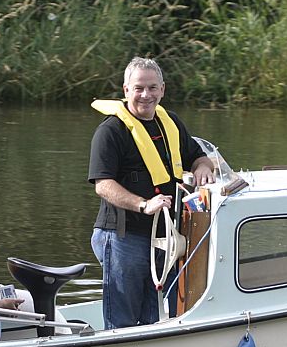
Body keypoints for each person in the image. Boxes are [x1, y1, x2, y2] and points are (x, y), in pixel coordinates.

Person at [88, 56, 214, 329]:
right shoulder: (110, 131)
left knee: (151, 317)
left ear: (163, 90)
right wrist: (143, 204)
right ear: (126, 90)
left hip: (163, 237)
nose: (146, 95)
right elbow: (102, 184)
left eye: (152, 88)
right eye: (139, 88)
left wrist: (203, 168)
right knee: (122, 319)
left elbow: (198, 156)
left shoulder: (171, 123)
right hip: (122, 235)